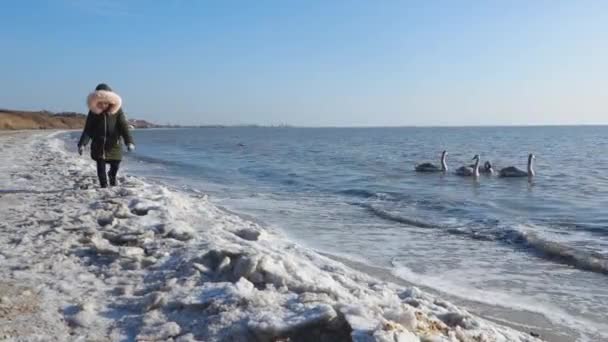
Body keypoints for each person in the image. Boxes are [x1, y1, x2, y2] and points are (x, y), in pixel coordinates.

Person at [77, 83, 135, 188]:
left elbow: (124, 127)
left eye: (106, 102)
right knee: (100, 165)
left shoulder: (117, 111)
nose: (103, 105)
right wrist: (82, 144)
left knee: (116, 164)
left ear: (111, 101)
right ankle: (103, 185)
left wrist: (129, 142)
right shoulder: (93, 113)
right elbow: (88, 129)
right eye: (100, 103)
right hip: (98, 144)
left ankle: (112, 176)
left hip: (114, 145)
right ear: (95, 101)